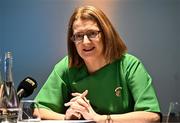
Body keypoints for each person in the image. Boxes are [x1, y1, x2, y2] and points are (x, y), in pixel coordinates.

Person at [34, 5, 161, 123]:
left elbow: (152, 116)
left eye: (92, 34)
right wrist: (67, 119)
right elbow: (38, 110)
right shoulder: (67, 66)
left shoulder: (129, 65)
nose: (85, 42)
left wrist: (99, 119)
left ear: (106, 34)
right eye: (78, 36)